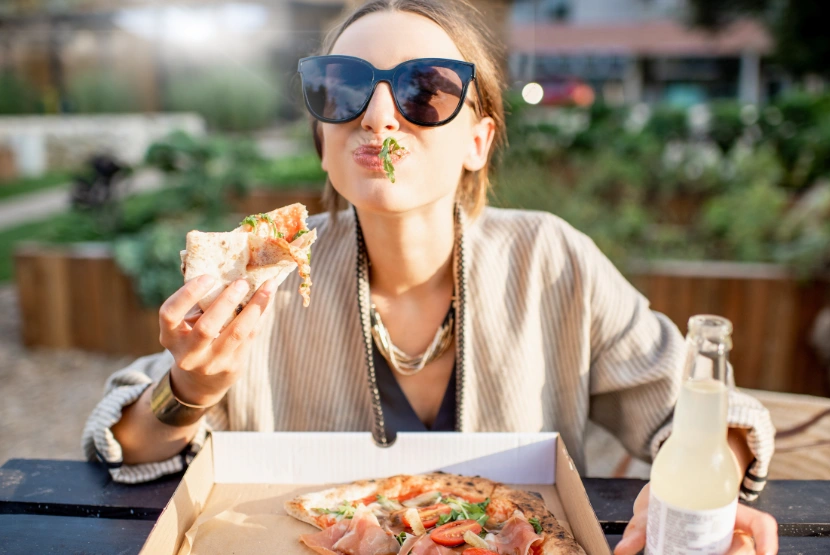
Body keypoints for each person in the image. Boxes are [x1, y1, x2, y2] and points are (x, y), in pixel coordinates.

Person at [83, 1, 778, 553]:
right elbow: (129, 444)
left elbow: (690, 408)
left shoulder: (552, 260)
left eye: (425, 90)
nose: (379, 117)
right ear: (322, 136)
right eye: (343, 87)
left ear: (478, 140)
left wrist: (695, 487)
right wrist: (192, 388)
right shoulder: (267, 269)